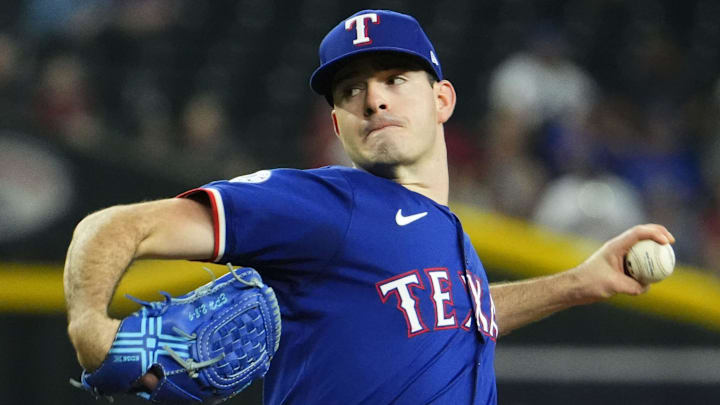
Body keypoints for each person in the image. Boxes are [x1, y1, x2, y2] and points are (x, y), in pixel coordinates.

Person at [63, 9, 675, 404]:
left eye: (393, 80)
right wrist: (89, 322)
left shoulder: (450, 232)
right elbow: (113, 226)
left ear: (442, 99)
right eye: (351, 90)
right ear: (337, 121)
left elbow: (465, 315)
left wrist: (578, 284)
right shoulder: (326, 203)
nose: (373, 100)